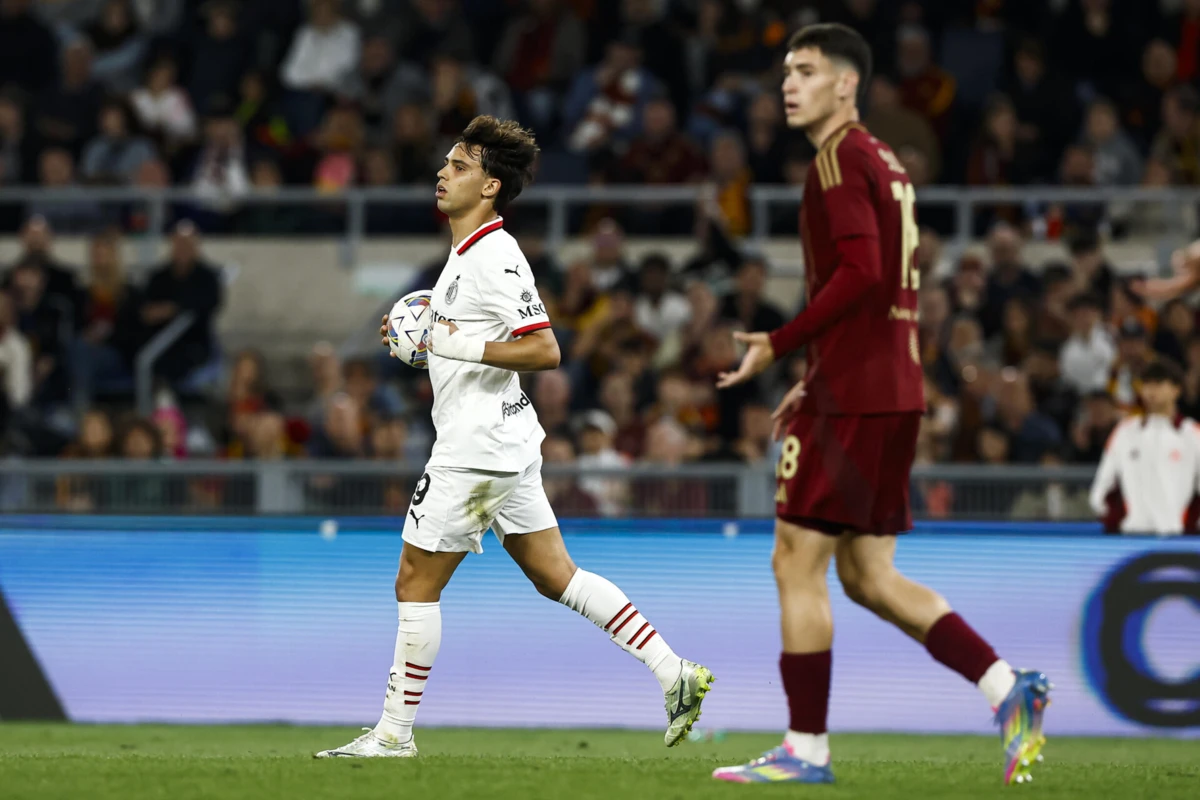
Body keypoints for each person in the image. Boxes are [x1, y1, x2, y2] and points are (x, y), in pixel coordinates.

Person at [712, 24, 1048, 786]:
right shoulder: (884, 160)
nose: (789, 85)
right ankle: (1009, 688)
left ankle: (805, 749)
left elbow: (862, 271)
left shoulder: (836, 160)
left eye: (806, 70)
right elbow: (885, 280)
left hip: (856, 397)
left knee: (795, 560)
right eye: (786, 72)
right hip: (890, 387)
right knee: (867, 574)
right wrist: (819, 369)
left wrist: (783, 343)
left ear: (847, 84)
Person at [315, 116, 712, 759]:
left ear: (490, 186)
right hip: (506, 441)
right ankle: (676, 672)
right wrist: (422, 340)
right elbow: (460, 337)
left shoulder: (495, 255)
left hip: (474, 449)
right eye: (446, 163)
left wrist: (454, 344)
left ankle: (393, 735)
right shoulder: (466, 253)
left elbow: (546, 350)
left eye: (459, 166)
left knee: (415, 582)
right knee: (557, 576)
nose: (443, 173)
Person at [1088, 360, 1200, 535]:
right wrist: (1116, 521)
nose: (1151, 391)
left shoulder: (1192, 434)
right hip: (1131, 536)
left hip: (1178, 538)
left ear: (1176, 389)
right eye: (1147, 384)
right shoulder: (1125, 432)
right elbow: (1101, 489)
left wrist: (1190, 528)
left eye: (1159, 384)